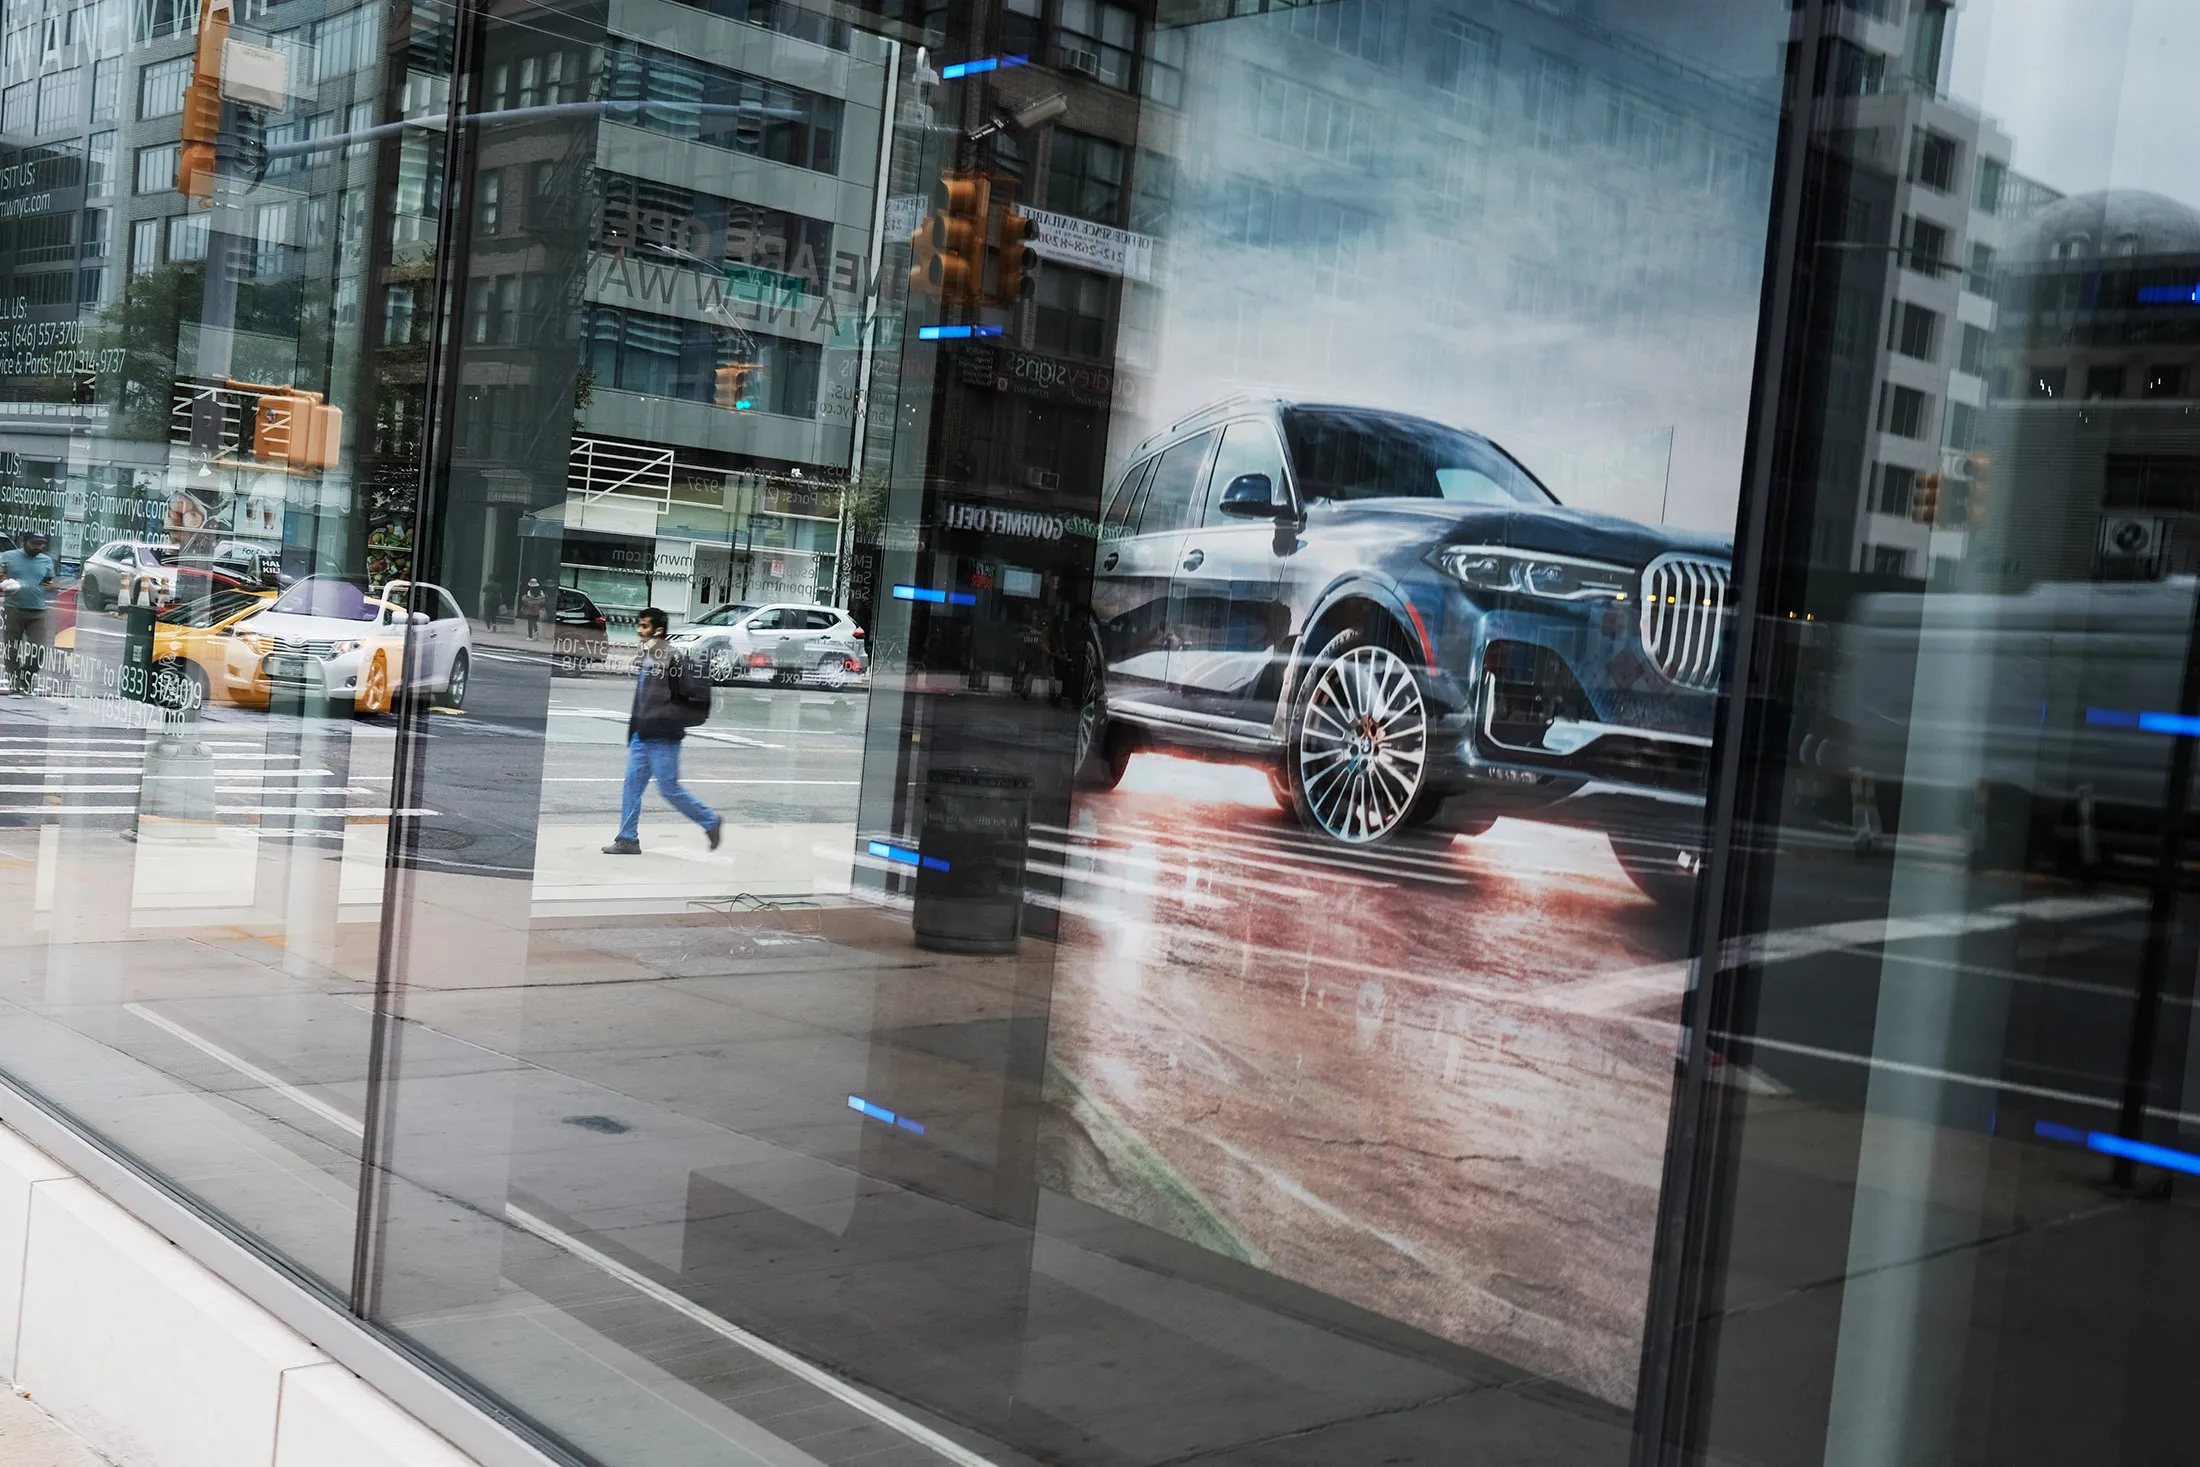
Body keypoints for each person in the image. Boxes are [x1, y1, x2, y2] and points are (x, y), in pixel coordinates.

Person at [604, 607, 721, 855]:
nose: (639, 631)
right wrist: (634, 731)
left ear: (658, 630)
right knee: (632, 787)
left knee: (669, 789)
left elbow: (690, 696)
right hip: (642, 736)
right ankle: (627, 839)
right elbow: (641, 699)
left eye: (644, 626)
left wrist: (664, 719)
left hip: (663, 738)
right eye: (639, 625)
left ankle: (710, 821)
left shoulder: (674, 659)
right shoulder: (647, 658)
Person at [1, 531, 57, 695]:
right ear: (25, 543)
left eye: (42, 544)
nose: (39, 547)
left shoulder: (46, 560)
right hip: (14, 609)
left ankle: (25, 675)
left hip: (37, 611)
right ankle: (14, 684)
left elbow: (48, 581)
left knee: (38, 650)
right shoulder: (8, 557)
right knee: (12, 649)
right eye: (34, 543)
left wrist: (51, 587)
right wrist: (5, 582)